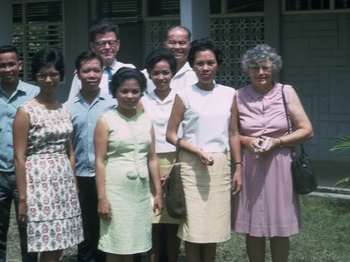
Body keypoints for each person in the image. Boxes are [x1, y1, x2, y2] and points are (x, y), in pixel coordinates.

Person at [232, 44, 314, 262]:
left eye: (265, 67)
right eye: (255, 68)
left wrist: (277, 141)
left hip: (280, 163)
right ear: (247, 70)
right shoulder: (238, 96)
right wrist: (247, 140)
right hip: (250, 163)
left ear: (274, 68)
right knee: (252, 225)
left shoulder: (286, 92)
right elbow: (230, 134)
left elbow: (307, 130)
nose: (260, 72)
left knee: (279, 224)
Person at [165, 38, 242, 262]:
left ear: (218, 64)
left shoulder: (229, 93)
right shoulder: (184, 95)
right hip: (191, 165)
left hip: (219, 166)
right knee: (194, 229)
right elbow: (170, 134)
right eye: (199, 63)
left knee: (213, 229)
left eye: (210, 63)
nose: (205, 68)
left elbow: (233, 133)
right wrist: (196, 150)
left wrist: (238, 166)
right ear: (192, 65)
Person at [13, 47, 83, 262]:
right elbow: (18, 157)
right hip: (38, 185)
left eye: (53, 74)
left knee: (60, 242)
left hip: (63, 184)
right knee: (45, 242)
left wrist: (74, 184)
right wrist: (23, 198)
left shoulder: (64, 109)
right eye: (43, 75)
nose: (48, 80)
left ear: (61, 76)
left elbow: (69, 151)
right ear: (36, 77)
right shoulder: (26, 111)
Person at [94, 67, 163, 262]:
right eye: (124, 91)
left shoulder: (146, 120)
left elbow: (152, 158)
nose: (130, 96)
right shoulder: (105, 120)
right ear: (115, 91)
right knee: (116, 246)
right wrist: (102, 198)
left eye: (135, 91)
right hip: (115, 192)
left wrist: (157, 192)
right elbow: (99, 161)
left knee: (135, 245)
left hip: (140, 194)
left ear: (142, 92)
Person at [0, 45, 40, 262]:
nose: (7, 69)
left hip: (25, 174)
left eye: (11, 64)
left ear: (20, 65)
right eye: (2, 65)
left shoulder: (33, 94)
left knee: (28, 231)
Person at [65, 51, 116, 262]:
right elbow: (66, 148)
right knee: (84, 230)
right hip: (81, 177)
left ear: (102, 73)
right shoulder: (67, 108)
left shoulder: (112, 104)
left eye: (96, 70)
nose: (92, 75)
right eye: (86, 71)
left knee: (107, 227)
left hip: (108, 175)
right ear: (78, 74)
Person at [140, 49, 181, 262]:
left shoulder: (181, 99)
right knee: (152, 219)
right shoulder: (143, 101)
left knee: (173, 217)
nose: (161, 78)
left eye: (165, 72)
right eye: (156, 73)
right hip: (150, 161)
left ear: (172, 72)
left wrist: (175, 168)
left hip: (176, 161)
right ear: (149, 74)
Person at [67, 20, 135, 100]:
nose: (107, 47)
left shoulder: (130, 70)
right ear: (92, 47)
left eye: (111, 42)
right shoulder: (85, 75)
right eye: (101, 43)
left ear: (118, 45)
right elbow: (73, 103)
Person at [145, 26, 197, 94]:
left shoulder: (196, 75)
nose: (177, 47)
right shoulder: (146, 75)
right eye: (172, 42)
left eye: (182, 43)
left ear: (190, 46)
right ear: (165, 44)